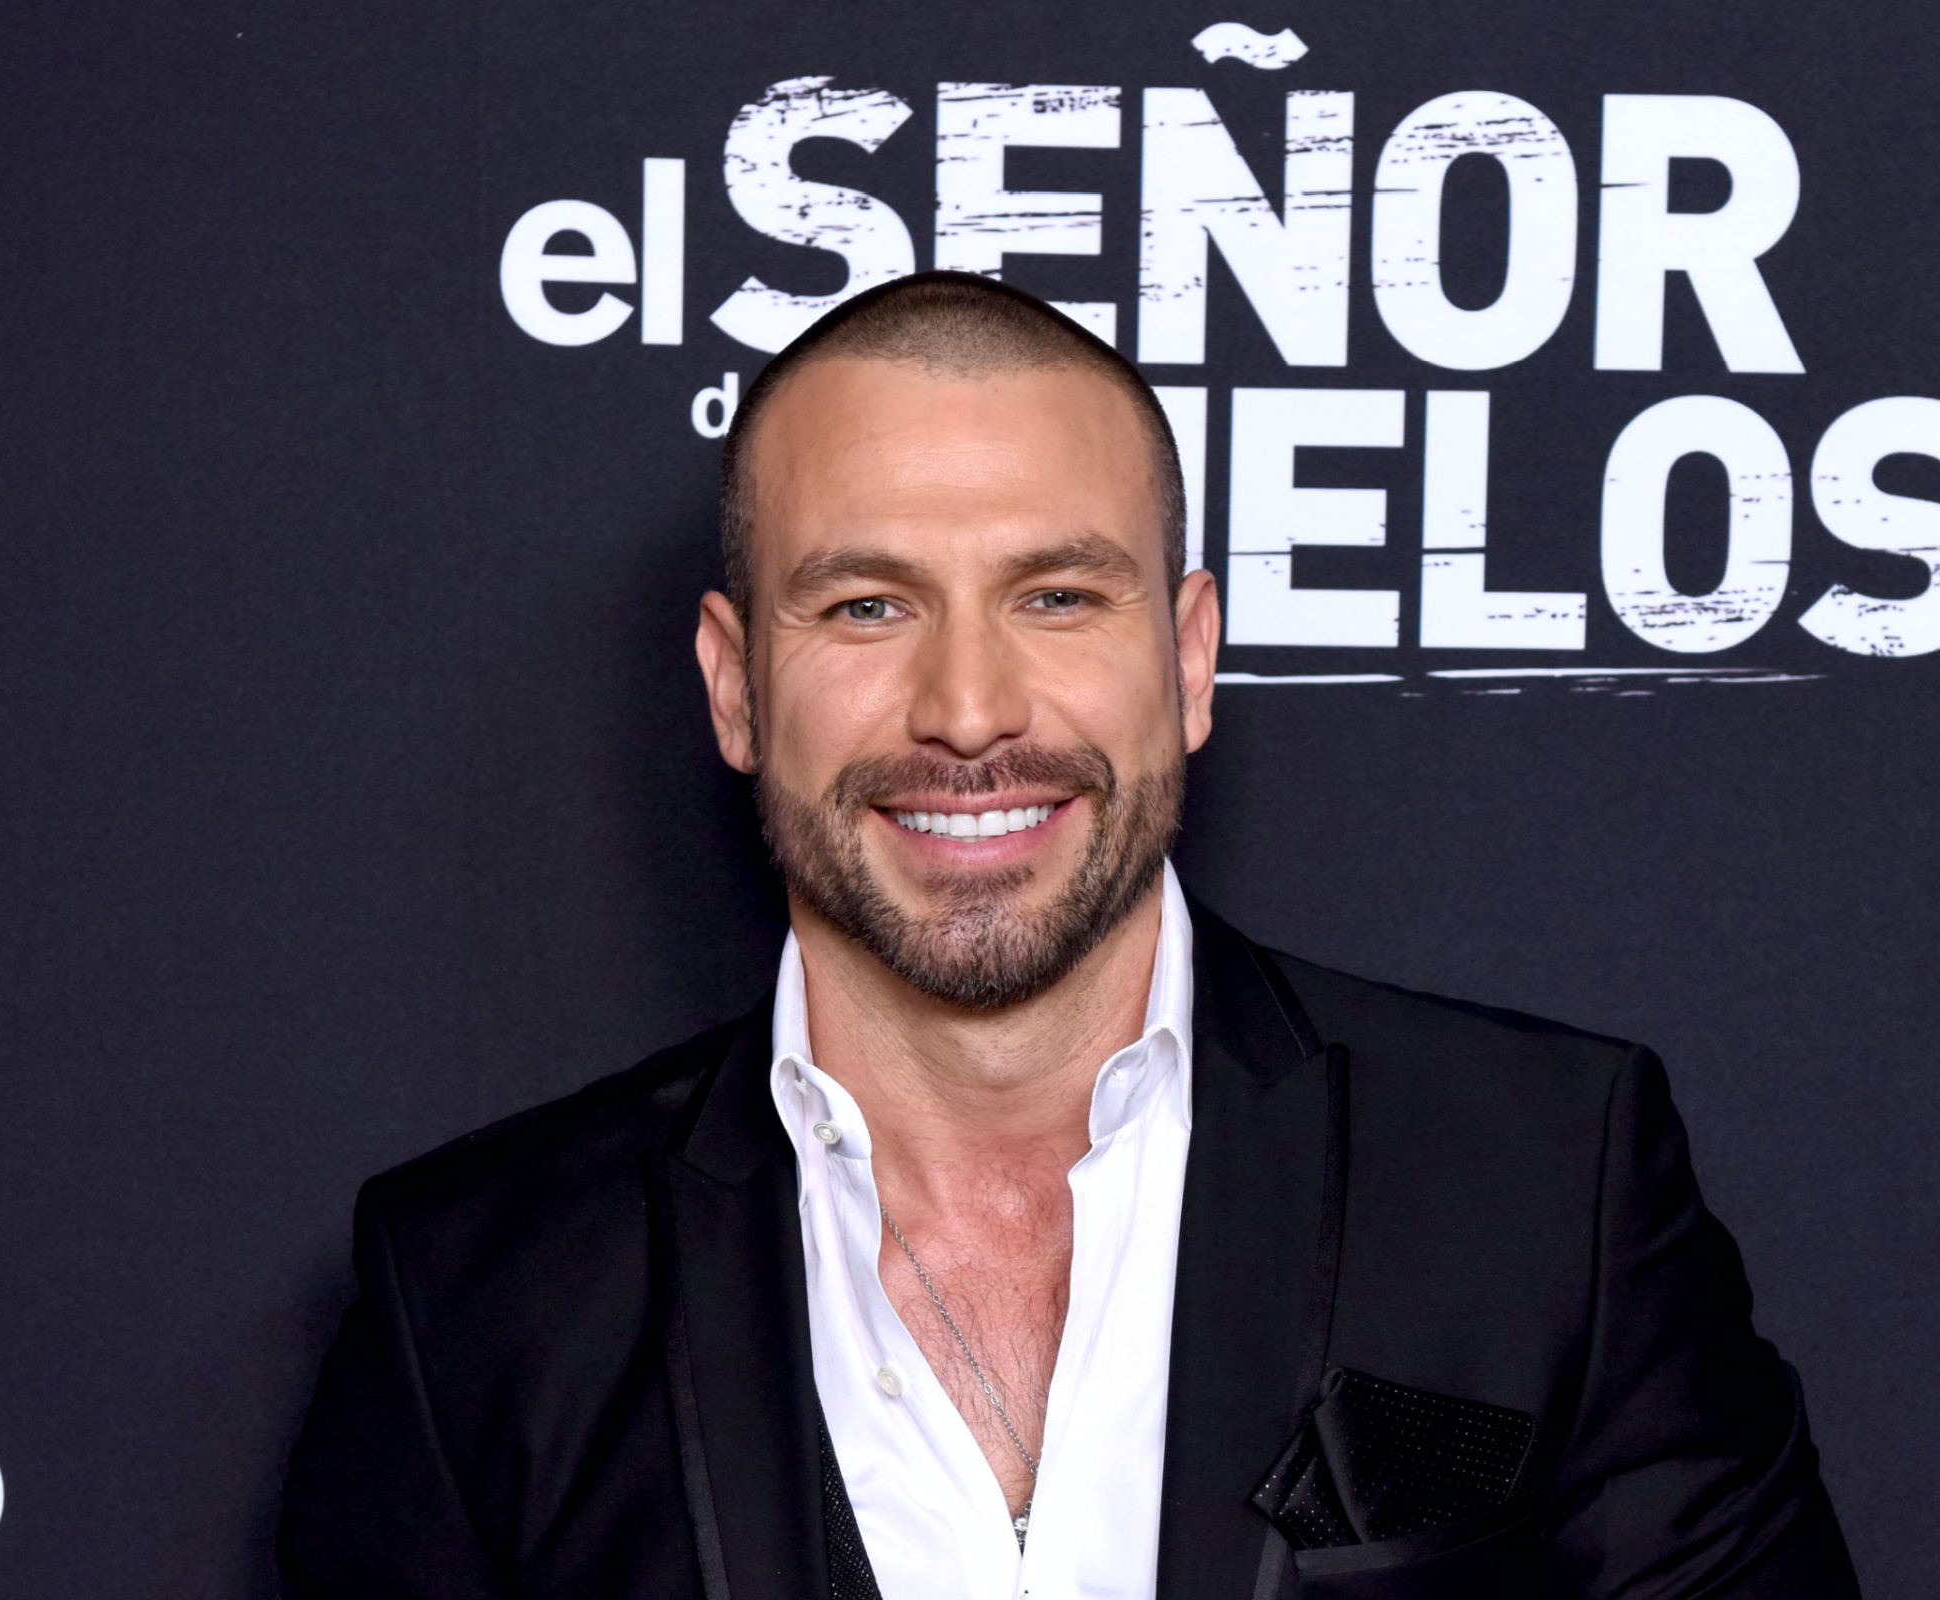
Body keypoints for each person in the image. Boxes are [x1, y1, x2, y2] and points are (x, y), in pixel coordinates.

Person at [278, 271, 1859, 1600]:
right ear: (734, 685)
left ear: (1189, 657)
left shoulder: (1545, 1184)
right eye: (868, 606)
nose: (969, 712)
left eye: (1056, 598)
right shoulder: (474, 1295)